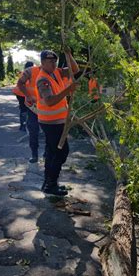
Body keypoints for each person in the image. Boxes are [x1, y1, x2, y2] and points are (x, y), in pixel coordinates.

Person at [36, 49, 79, 196]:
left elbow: (75, 69)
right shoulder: (43, 80)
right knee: (60, 153)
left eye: (54, 61)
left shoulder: (57, 73)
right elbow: (49, 101)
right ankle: (51, 185)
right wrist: (68, 90)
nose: (53, 64)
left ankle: (48, 181)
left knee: (51, 153)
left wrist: (68, 54)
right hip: (50, 122)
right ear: (42, 63)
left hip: (57, 121)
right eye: (49, 62)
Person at [16, 61, 43, 163]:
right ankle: (34, 155)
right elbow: (20, 84)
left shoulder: (54, 72)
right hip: (33, 107)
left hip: (47, 107)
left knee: (48, 131)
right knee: (33, 130)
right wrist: (28, 96)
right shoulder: (30, 72)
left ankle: (46, 154)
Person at [12, 67, 29, 131]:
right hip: (22, 94)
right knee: (25, 109)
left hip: (18, 93)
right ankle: (24, 126)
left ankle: (23, 125)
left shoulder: (23, 73)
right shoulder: (29, 74)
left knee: (23, 108)